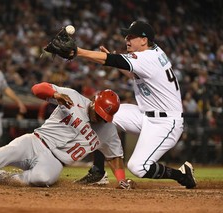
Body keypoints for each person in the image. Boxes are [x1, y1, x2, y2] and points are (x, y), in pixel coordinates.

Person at [74, 20, 196, 189]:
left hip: (166, 123)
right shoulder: (154, 51)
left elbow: (113, 60)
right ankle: (98, 171)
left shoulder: (147, 57)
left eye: (131, 36)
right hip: (144, 115)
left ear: (144, 40)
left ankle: (181, 175)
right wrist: (112, 59)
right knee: (100, 114)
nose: (127, 39)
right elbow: (128, 68)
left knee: (138, 167)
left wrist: (78, 51)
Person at [0, 82, 134, 189]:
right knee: (6, 152)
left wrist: (121, 180)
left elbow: (115, 156)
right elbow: (37, 89)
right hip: (35, 141)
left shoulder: (108, 129)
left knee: (43, 179)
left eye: (105, 116)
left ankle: (0, 177)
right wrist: (55, 94)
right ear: (94, 101)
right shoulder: (72, 97)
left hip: (55, 161)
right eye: (99, 113)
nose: (101, 118)